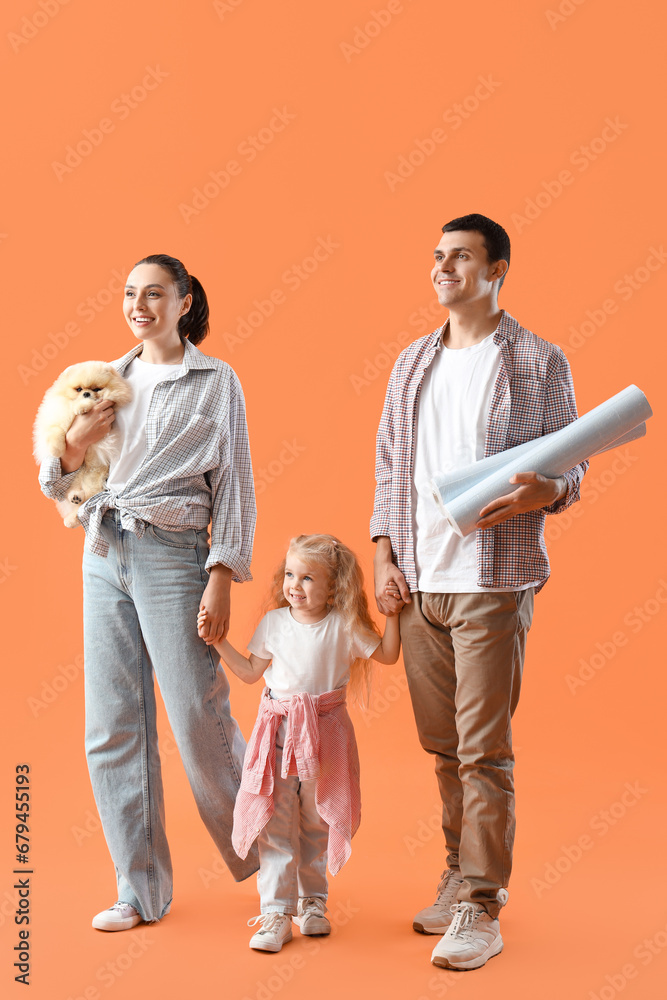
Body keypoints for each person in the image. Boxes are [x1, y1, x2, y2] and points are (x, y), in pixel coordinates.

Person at [371, 214, 587, 970]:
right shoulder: (410, 363)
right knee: (441, 747)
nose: (442, 268)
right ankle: (458, 870)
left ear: (496, 270)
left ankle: (481, 907)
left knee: (482, 752)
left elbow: (572, 464)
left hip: (491, 581)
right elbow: (391, 469)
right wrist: (381, 557)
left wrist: (547, 492)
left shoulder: (536, 361)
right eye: (436, 256)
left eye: (459, 257)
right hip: (421, 578)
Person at [38, 254, 258, 930]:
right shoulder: (105, 381)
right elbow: (56, 481)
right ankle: (138, 890)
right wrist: (72, 450)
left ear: (184, 300)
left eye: (154, 293)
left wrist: (221, 574)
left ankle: (277, 860)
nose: (140, 306)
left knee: (199, 719)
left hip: (175, 554)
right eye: (131, 294)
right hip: (103, 549)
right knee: (111, 726)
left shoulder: (215, 381)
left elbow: (237, 487)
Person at [198, 533, 401, 952]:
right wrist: (218, 642)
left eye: (308, 578)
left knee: (316, 821)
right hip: (278, 734)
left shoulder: (344, 625)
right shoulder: (274, 623)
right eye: (290, 574)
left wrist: (394, 615)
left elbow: (387, 655)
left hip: (326, 735)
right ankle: (275, 910)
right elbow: (251, 672)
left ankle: (313, 902)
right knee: (274, 819)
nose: (295, 585)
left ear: (334, 588)